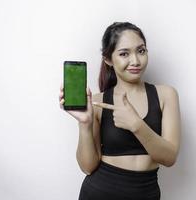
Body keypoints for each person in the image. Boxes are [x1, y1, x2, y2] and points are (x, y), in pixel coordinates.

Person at [59, 22, 181, 200]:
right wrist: (85, 123)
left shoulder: (166, 95)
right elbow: (88, 166)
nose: (136, 61)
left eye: (141, 51)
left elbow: (169, 158)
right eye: (124, 53)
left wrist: (136, 124)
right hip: (100, 192)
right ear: (108, 59)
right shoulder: (99, 102)